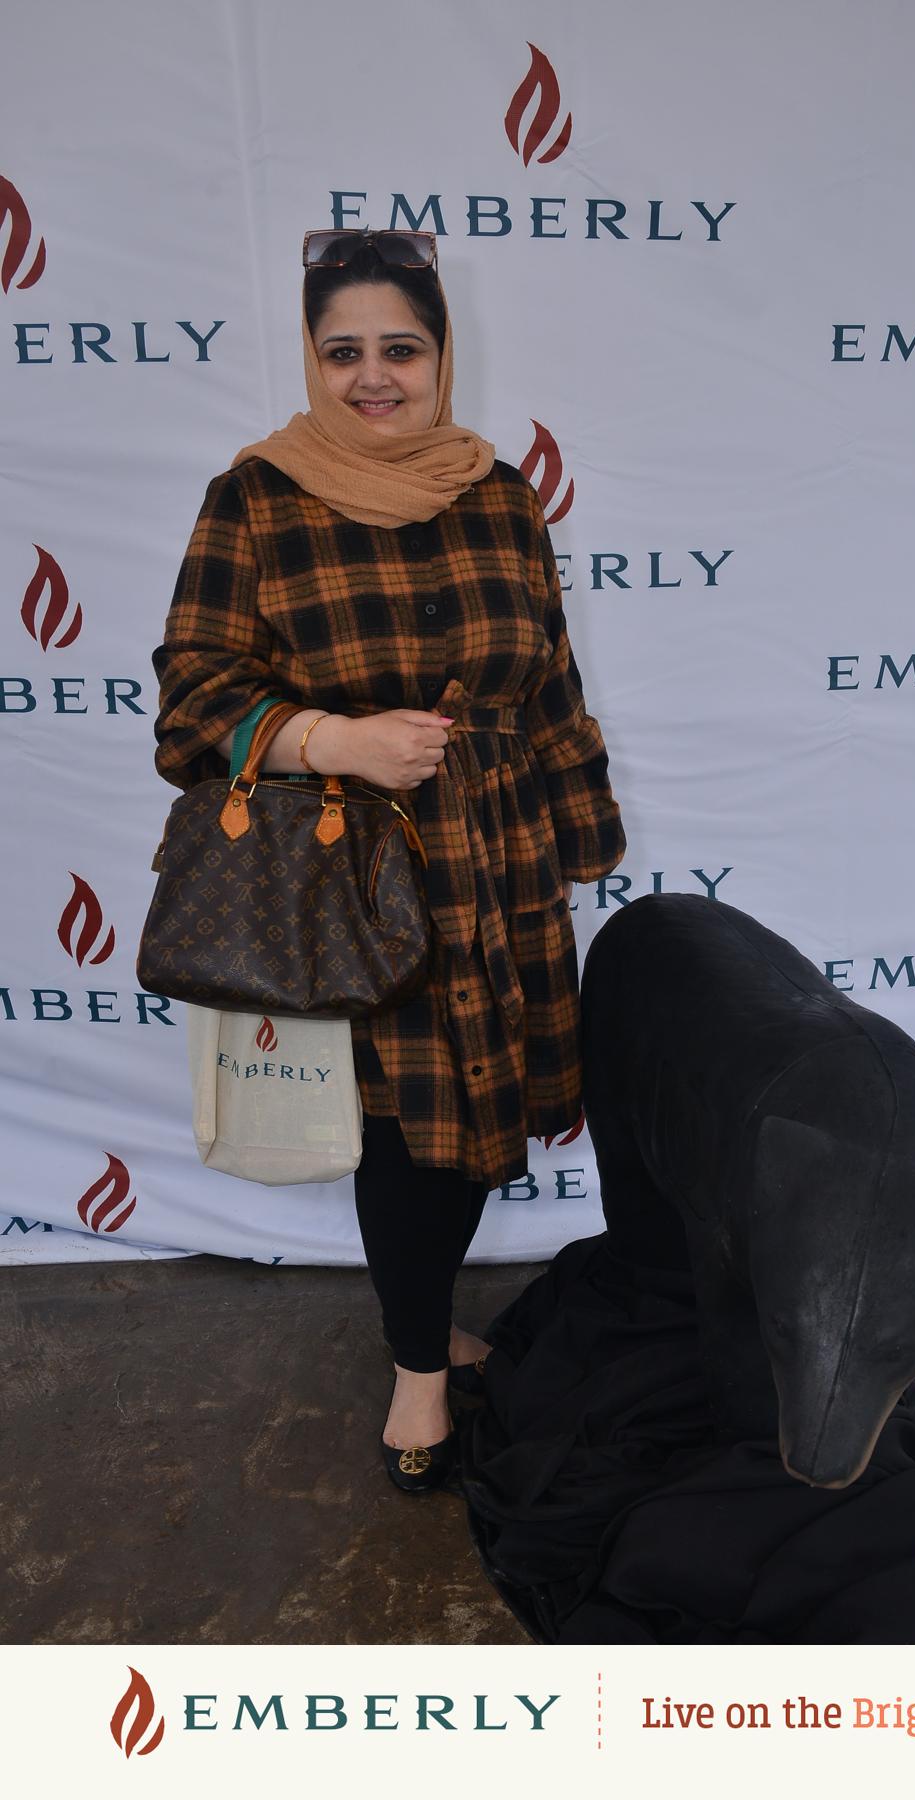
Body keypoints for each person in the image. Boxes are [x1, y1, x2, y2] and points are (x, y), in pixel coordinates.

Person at [152, 227, 624, 1494]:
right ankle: (420, 1369)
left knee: (485, 1113)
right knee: (412, 1131)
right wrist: (337, 740)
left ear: (442, 356)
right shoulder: (255, 496)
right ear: (309, 360)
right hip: (359, 876)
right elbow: (193, 702)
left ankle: (428, 1327)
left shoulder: (501, 490)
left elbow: (551, 685)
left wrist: (580, 842)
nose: (375, 376)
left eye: (400, 349)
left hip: (506, 861)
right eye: (343, 349)